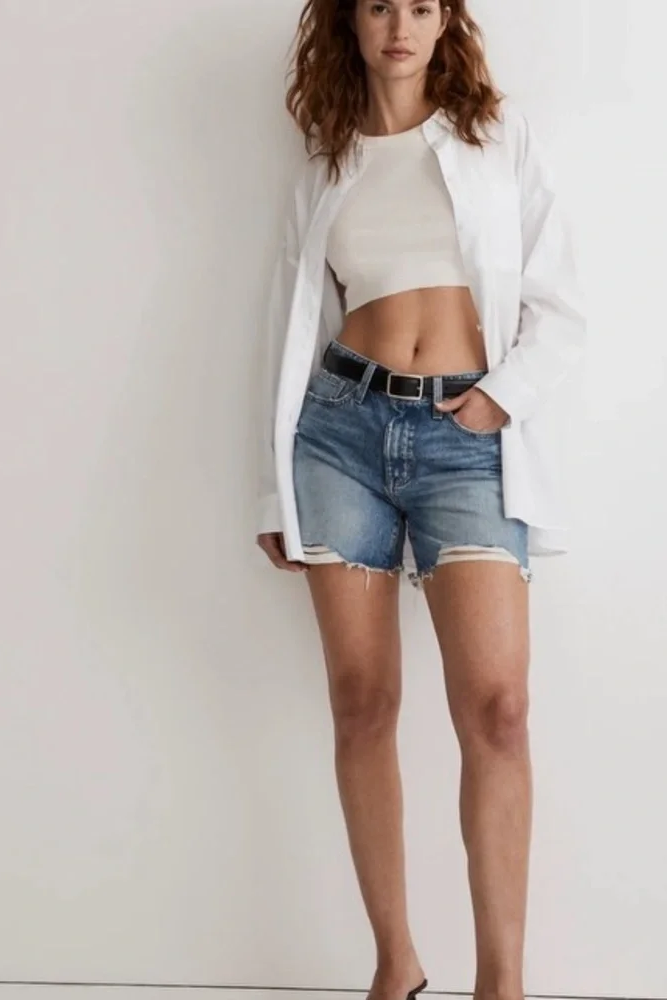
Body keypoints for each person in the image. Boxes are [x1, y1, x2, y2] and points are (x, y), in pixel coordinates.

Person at [255, 2, 585, 998]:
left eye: (419, 6)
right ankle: (395, 964)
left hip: (466, 440)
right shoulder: (327, 159)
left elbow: (559, 302)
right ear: (351, 23)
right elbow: (287, 321)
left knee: (499, 709)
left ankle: (501, 983)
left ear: (446, 23)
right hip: (339, 434)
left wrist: (500, 398)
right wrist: (270, 483)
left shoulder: (496, 136)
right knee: (363, 704)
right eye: (378, 6)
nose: (398, 25)